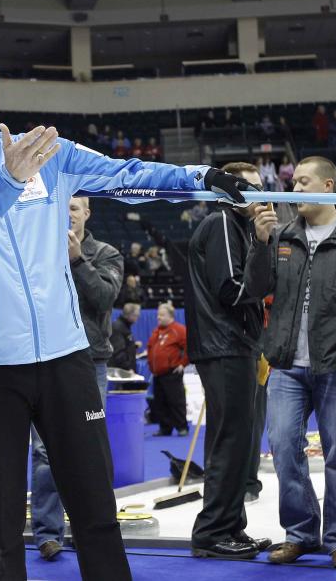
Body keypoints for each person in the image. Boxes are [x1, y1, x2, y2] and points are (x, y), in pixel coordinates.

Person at [0, 43, 250, 581]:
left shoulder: (49, 154)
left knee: (94, 507)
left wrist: (201, 178)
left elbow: (124, 173)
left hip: (67, 359)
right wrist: (9, 182)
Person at [246, 157, 336, 569]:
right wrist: (260, 244)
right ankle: (300, 532)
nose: (293, 191)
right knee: (281, 447)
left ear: (329, 186)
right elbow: (255, 289)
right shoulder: (282, 236)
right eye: (292, 183)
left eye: (303, 182)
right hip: (286, 364)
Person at [186, 161, 272, 560]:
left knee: (237, 442)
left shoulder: (234, 226)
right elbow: (234, 292)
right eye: (245, 186)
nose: (255, 193)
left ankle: (230, 527)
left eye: (258, 186)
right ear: (227, 191)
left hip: (233, 344)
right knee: (231, 441)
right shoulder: (222, 222)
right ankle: (213, 532)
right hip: (225, 344)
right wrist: (261, 243)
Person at [30, 196, 123, 560]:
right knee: (43, 452)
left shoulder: (105, 253)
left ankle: (90, 530)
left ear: (87, 213)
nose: (68, 212)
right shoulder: (35, 249)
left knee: (91, 450)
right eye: (62, 206)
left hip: (90, 362)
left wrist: (76, 261)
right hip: (46, 360)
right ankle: (47, 533)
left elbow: (104, 298)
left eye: (74, 207)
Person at [147, 302, 189, 437]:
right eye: (158, 315)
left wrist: (183, 364)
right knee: (160, 402)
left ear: (170, 316)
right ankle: (165, 428)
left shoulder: (179, 330)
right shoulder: (156, 331)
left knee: (176, 401)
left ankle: (182, 427)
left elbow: (189, 347)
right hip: (157, 374)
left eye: (162, 315)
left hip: (172, 373)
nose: (158, 317)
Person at [109, 303, 142, 373]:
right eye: (136, 315)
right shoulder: (118, 327)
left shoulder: (124, 326)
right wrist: (128, 368)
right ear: (130, 315)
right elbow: (118, 352)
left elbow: (124, 345)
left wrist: (134, 345)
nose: (138, 318)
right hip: (121, 371)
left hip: (123, 369)